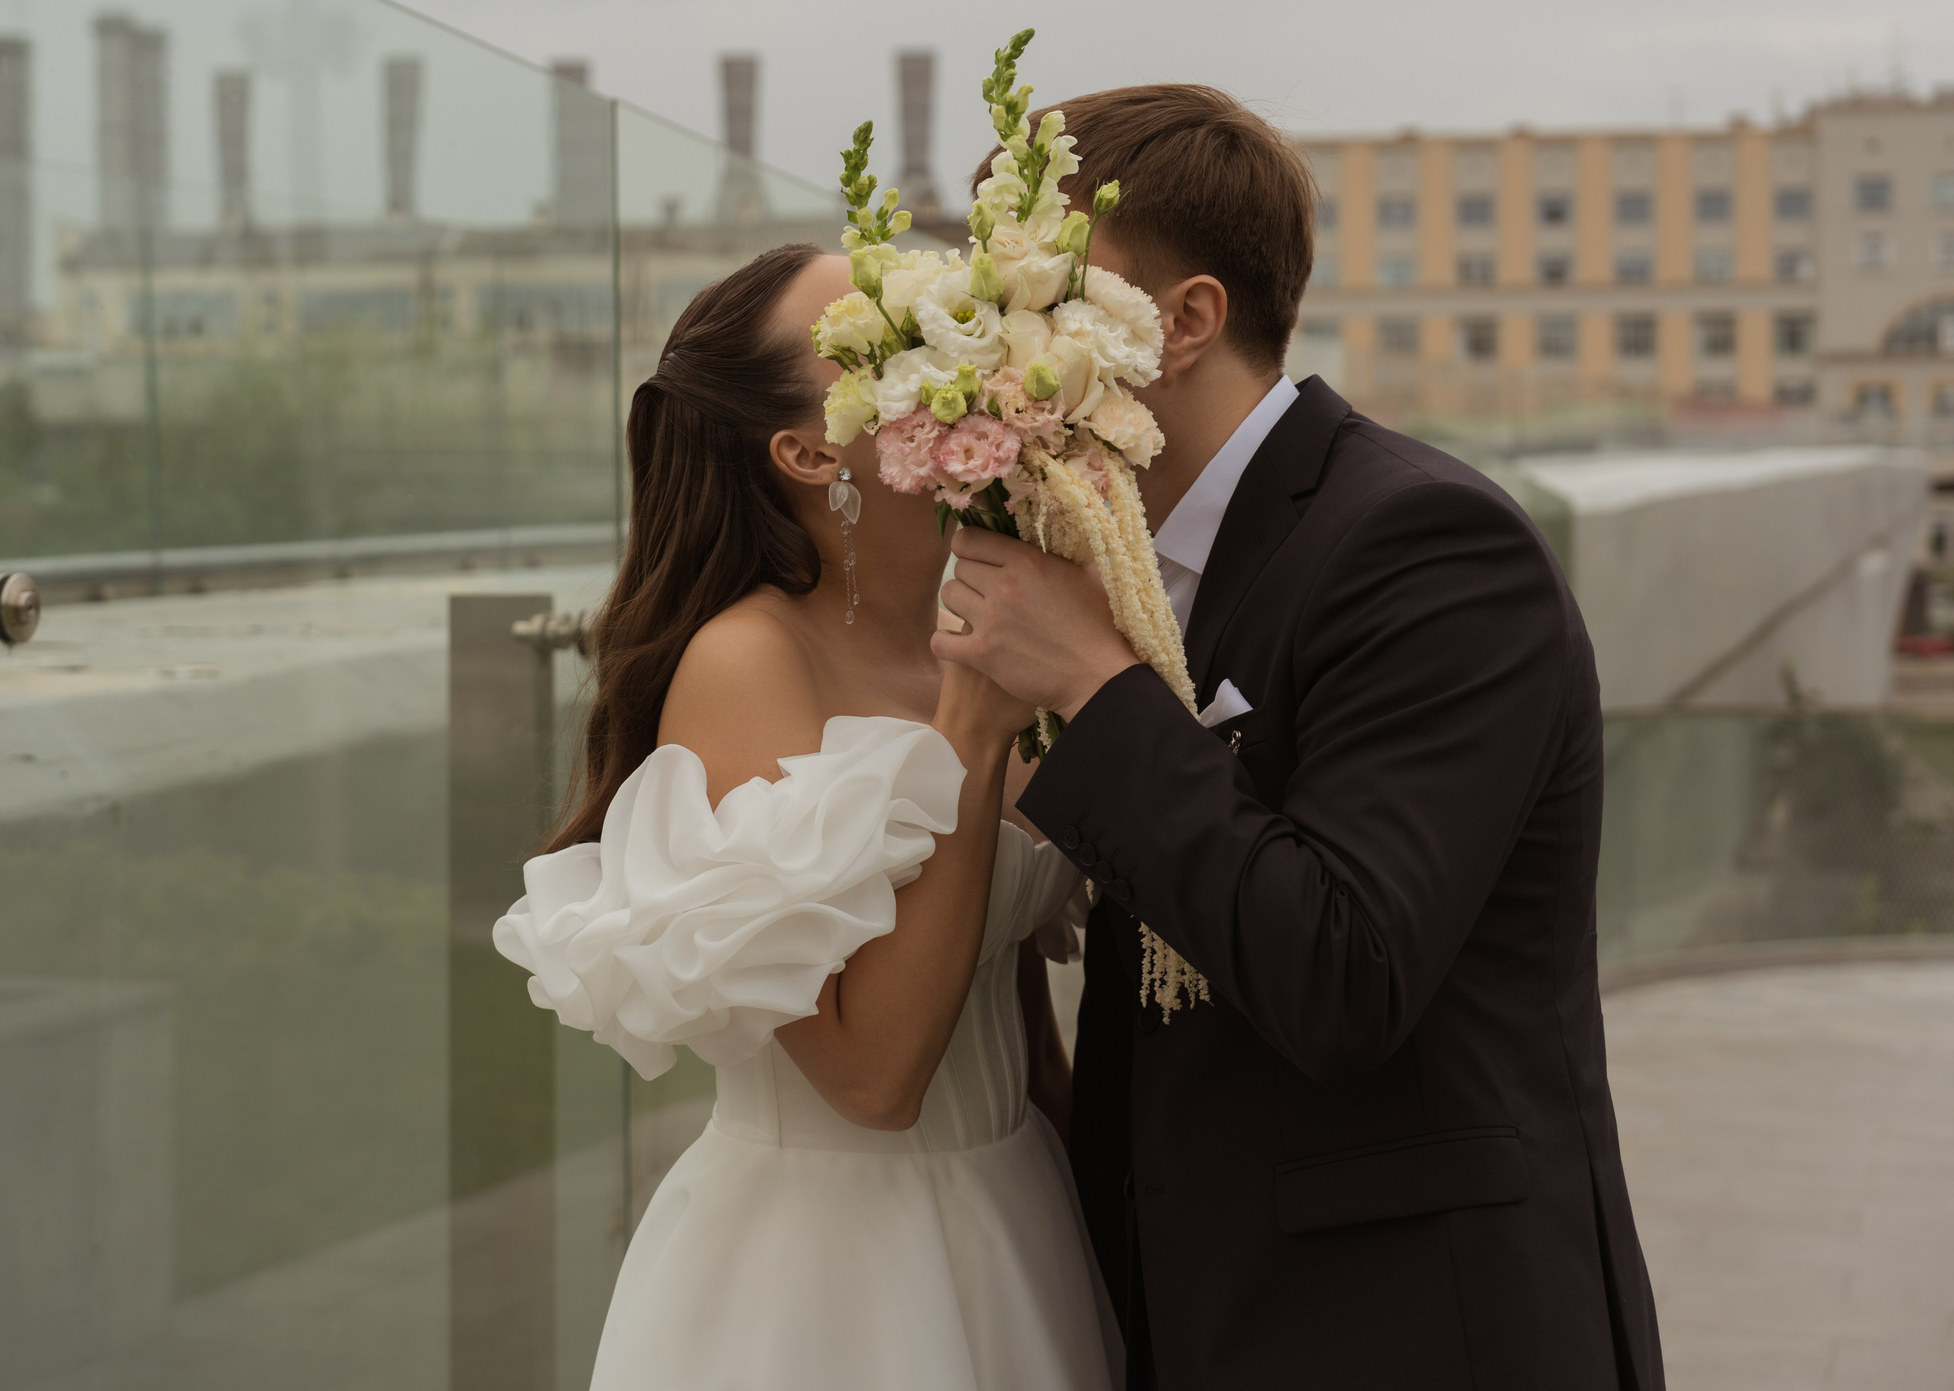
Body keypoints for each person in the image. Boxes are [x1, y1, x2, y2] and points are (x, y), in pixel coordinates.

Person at [934, 84, 1668, 1390]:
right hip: (1194, 1304)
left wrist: (1100, 692)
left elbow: (1347, 971)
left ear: (1184, 321)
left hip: (1415, 1324)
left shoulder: (1428, 545)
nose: (985, 348)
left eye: (1028, 300)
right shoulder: (1124, 568)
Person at [494, 243, 1122, 1390]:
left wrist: (1098, 1230)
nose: (959, 347)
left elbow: (1012, 996)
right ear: (805, 449)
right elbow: (871, 1084)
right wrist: (974, 731)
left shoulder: (966, 627)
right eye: (896, 339)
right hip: (829, 1280)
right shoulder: (746, 662)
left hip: (1021, 1219)